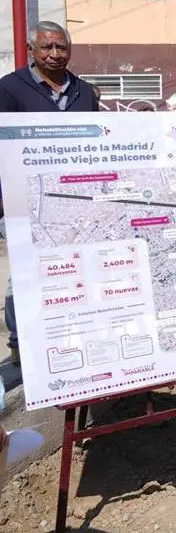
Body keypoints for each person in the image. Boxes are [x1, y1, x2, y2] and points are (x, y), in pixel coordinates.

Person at [0, 20, 101, 364]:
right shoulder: (10, 89)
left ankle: (72, 336)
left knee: (73, 271)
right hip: (28, 200)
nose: (55, 54)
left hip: (77, 199)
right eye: (47, 47)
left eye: (61, 47)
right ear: (32, 50)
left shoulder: (84, 92)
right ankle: (21, 343)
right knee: (26, 274)